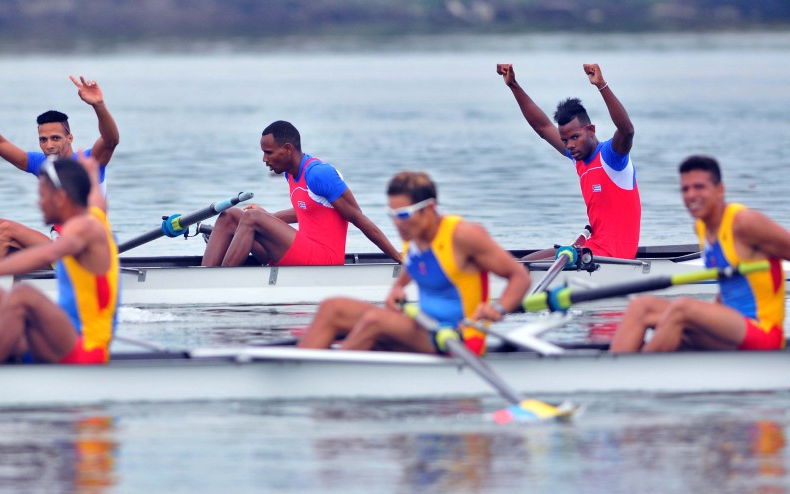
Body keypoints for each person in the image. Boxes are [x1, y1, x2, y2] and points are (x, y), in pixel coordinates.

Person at [298, 171, 531, 355]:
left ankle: (325, 376)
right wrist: (397, 288)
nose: (397, 224)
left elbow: (519, 276)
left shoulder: (464, 235)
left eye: (403, 215)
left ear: (429, 209)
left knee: (375, 320)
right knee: (333, 307)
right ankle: (302, 367)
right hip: (423, 328)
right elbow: (409, 276)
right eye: (392, 215)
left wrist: (499, 308)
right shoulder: (413, 237)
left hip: (458, 339)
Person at [0, 155, 119, 364]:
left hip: (86, 350)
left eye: (42, 195)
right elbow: (98, 201)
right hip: (53, 341)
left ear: (61, 198)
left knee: (22, 293)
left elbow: (47, 254)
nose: (39, 203)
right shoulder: (95, 215)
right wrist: (91, 170)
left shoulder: (85, 228)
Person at [610, 156, 789, 352]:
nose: (691, 195)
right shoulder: (702, 228)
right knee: (641, 307)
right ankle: (611, 373)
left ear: (720, 190)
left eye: (699, 187)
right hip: (729, 328)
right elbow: (727, 289)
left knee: (682, 309)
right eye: (685, 189)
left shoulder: (745, 222)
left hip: (763, 332)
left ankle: (635, 374)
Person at [0, 75, 120, 269]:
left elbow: (110, 140)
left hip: (83, 254)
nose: (49, 145)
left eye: (55, 138)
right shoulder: (42, 164)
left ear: (69, 137)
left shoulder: (88, 162)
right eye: (43, 140)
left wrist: (99, 105)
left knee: (7, 231)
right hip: (57, 246)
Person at [202, 120, 402, 267]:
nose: (264, 159)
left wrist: (397, 256)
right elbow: (306, 210)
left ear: (288, 149)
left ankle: (222, 282)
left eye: (269, 152)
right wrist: (269, 218)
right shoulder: (291, 174)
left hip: (325, 260)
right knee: (231, 215)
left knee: (251, 217)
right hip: (301, 252)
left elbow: (359, 219)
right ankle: (204, 276)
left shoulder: (319, 174)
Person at [497, 63, 640, 259]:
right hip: (593, 250)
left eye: (575, 137)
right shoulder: (578, 158)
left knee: (523, 268)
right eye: (565, 140)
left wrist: (601, 86)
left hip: (613, 257)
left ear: (591, 130)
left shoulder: (612, 157)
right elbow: (542, 126)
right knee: (523, 263)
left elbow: (627, 130)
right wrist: (513, 84)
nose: (570, 145)